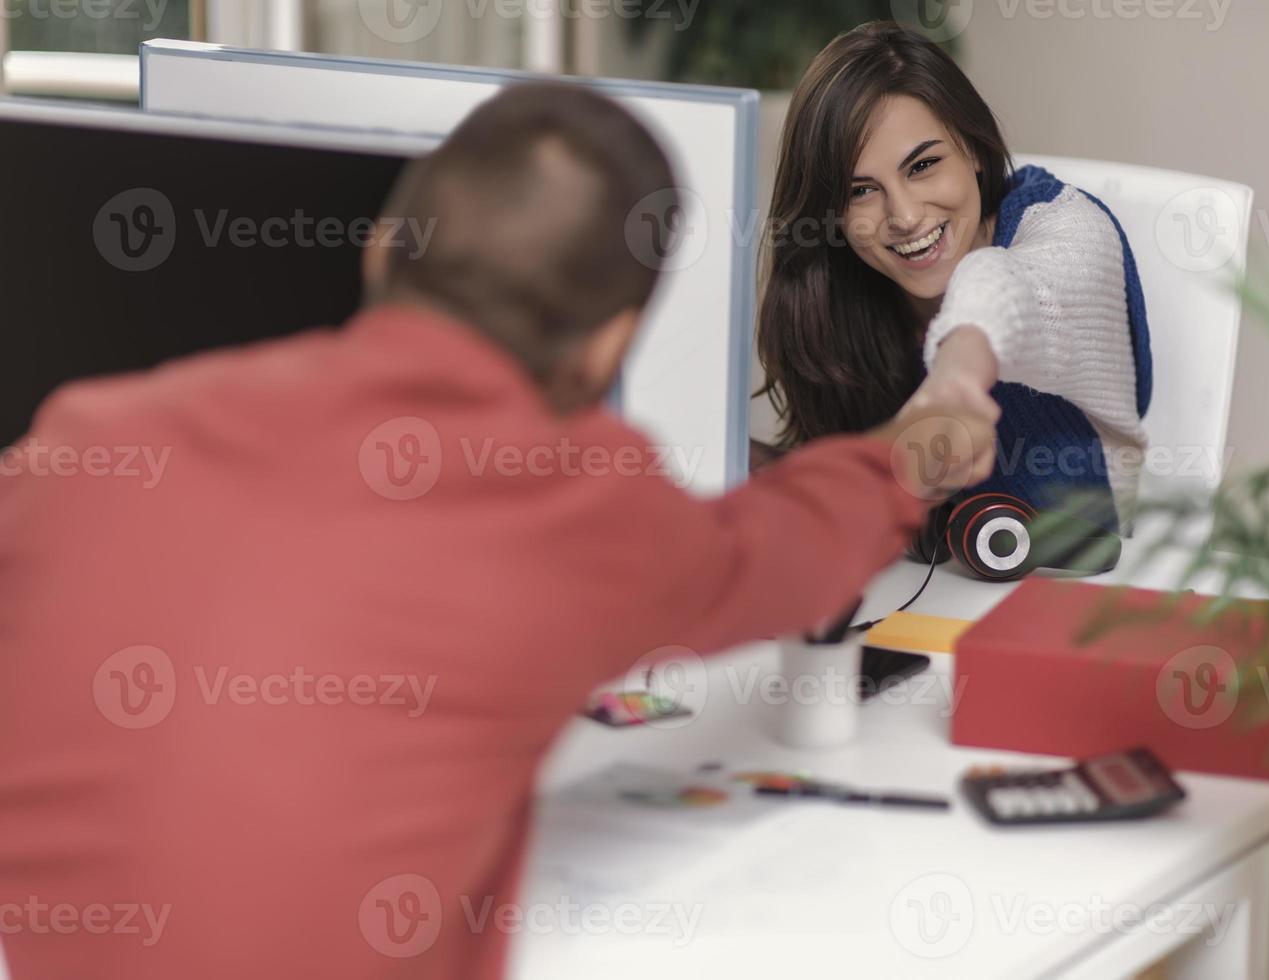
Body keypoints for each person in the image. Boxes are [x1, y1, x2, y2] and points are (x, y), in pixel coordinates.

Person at [0, 83, 995, 979]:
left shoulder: (89, 432)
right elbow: (784, 548)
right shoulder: (576, 504)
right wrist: (919, 436)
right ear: (610, 340)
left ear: (382, 249)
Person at [757, 21, 1152, 557]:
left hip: (1073, 594)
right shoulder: (842, 288)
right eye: (860, 191)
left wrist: (956, 377)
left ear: (972, 146)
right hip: (913, 599)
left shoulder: (1066, 228)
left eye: (922, 165)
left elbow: (1006, 289)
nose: (904, 215)